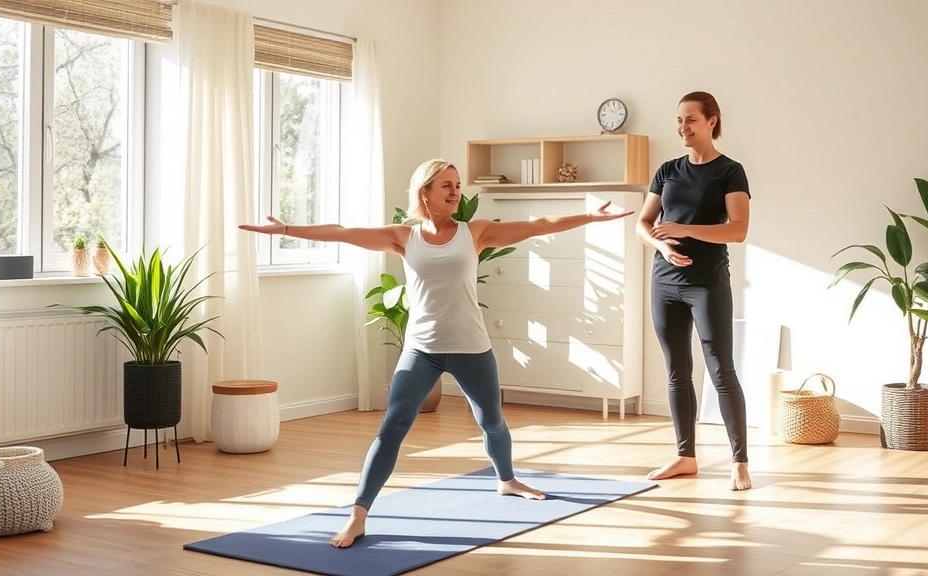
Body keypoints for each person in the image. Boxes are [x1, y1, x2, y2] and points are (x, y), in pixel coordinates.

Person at [239, 159, 633, 547]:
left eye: (457, 185)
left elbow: (536, 226)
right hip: (421, 349)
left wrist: (589, 217)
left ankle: (507, 480)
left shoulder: (475, 232)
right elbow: (342, 233)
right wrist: (286, 229)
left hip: (471, 347)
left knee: (492, 421)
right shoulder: (403, 237)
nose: (456, 192)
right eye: (446, 185)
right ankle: (358, 515)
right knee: (393, 426)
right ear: (424, 192)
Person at [635, 91, 752, 491]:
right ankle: (685, 456)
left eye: (691, 120)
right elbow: (643, 223)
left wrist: (683, 229)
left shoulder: (730, 171)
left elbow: (737, 230)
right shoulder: (668, 170)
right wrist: (662, 246)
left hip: (707, 283)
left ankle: (739, 462)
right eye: (679, 120)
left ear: (712, 122)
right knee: (676, 371)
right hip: (664, 282)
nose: (683, 127)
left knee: (721, 370)